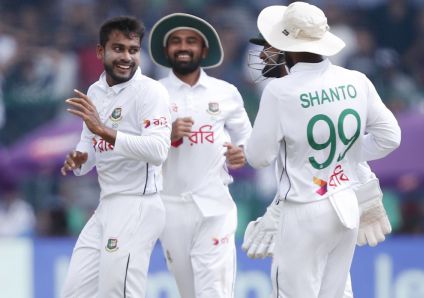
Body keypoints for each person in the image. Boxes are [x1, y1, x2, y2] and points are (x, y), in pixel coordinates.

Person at [244, 2, 401, 297]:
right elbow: (389, 137)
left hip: (304, 208)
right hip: (346, 204)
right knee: (337, 292)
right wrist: (347, 153)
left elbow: (258, 157)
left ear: (287, 44)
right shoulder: (355, 80)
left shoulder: (278, 91)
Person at [60, 16, 171, 297]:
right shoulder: (95, 92)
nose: (126, 57)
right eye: (118, 49)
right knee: (74, 292)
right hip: (107, 204)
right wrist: (79, 160)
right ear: (101, 52)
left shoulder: (151, 92)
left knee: (118, 292)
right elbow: (89, 144)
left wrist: (104, 130)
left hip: (139, 204)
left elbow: (158, 151)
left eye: (132, 50)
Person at [148, 13, 252, 298]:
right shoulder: (151, 94)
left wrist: (240, 153)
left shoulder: (225, 92)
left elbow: (247, 137)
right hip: (170, 208)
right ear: (166, 50)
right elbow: (136, 148)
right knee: (189, 291)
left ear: (203, 50)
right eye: (176, 42)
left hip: (214, 204)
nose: (184, 47)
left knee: (214, 291)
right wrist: (166, 135)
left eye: (191, 41)